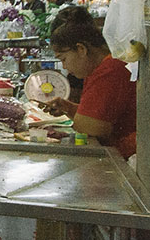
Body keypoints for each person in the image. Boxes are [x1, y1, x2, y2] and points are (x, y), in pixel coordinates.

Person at [45, 23, 136, 158]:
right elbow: (98, 116)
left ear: (81, 49)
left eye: (64, 59)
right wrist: (68, 108)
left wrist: (80, 118)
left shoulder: (110, 70)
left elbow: (93, 127)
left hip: (126, 157)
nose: (64, 66)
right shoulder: (99, 68)